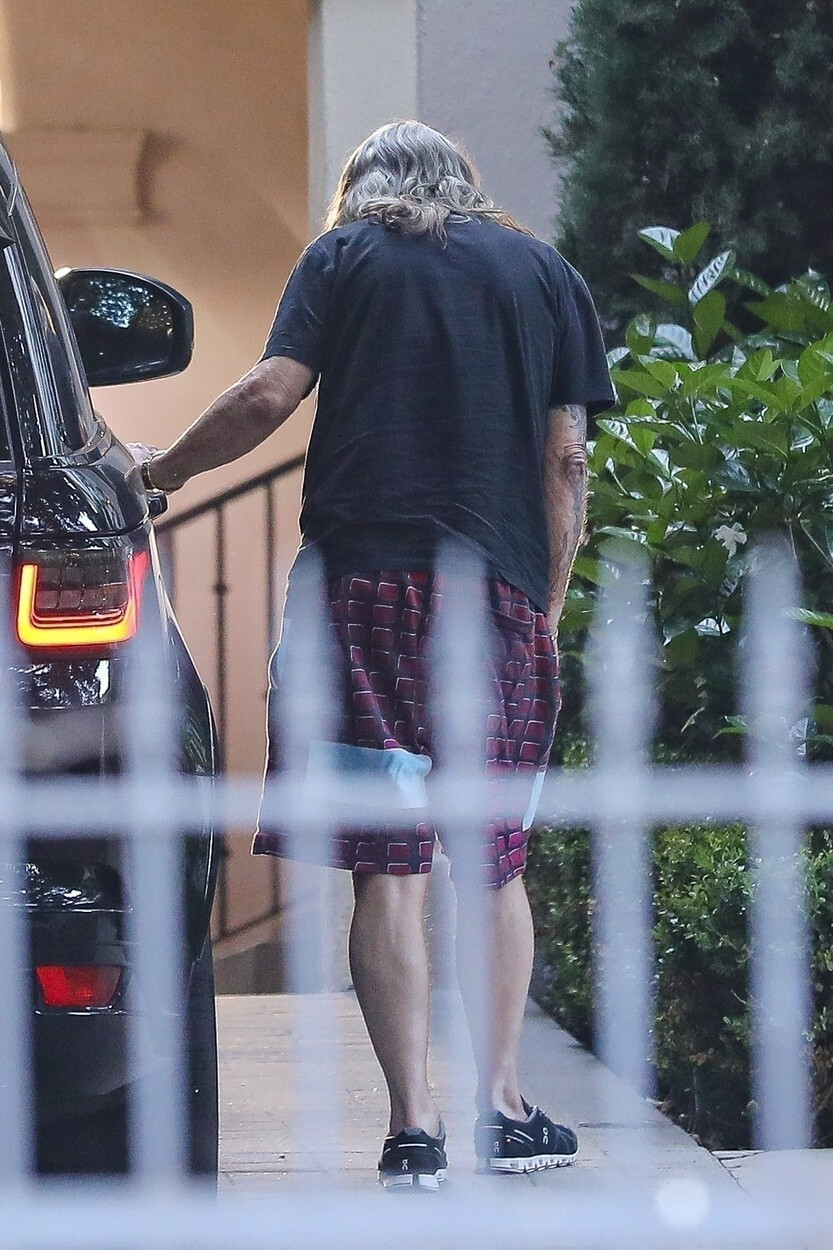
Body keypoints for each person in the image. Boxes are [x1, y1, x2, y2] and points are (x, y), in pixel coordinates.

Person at [136, 120, 615, 1191]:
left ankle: (412, 1128)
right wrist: (543, 604)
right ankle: (503, 1108)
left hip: (360, 596)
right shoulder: (544, 273)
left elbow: (267, 394)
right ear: (463, 184)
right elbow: (566, 458)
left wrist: (159, 473)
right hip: (493, 597)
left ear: (361, 191)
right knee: (492, 857)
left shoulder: (344, 256)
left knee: (386, 866)